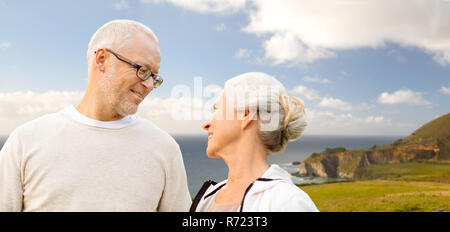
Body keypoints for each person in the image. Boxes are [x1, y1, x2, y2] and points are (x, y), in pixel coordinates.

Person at [0, 19, 191, 212]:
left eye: (154, 77)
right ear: (102, 59)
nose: (149, 85)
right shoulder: (25, 141)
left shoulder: (165, 148)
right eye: (143, 71)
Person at [190, 72, 319, 212]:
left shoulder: (289, 203)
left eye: (217, 109)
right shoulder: (207, 199)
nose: (206, 124)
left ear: (246, 115)